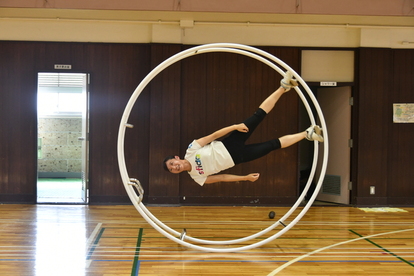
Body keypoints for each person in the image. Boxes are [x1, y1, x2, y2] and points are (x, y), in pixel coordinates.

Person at [163, 71, 323, 186]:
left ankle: (284, 86)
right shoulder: (196, 177)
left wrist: (235, 126)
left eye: (172, 163)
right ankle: (307, 133)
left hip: (230, 143)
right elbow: (223, 177)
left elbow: (213, 135)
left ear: (176, 158)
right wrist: (245, 177)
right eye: (172, 170)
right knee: (272, 145)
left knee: (258, 116)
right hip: (238, 158)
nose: (174, 167)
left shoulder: (191, 150)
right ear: (175, 173)